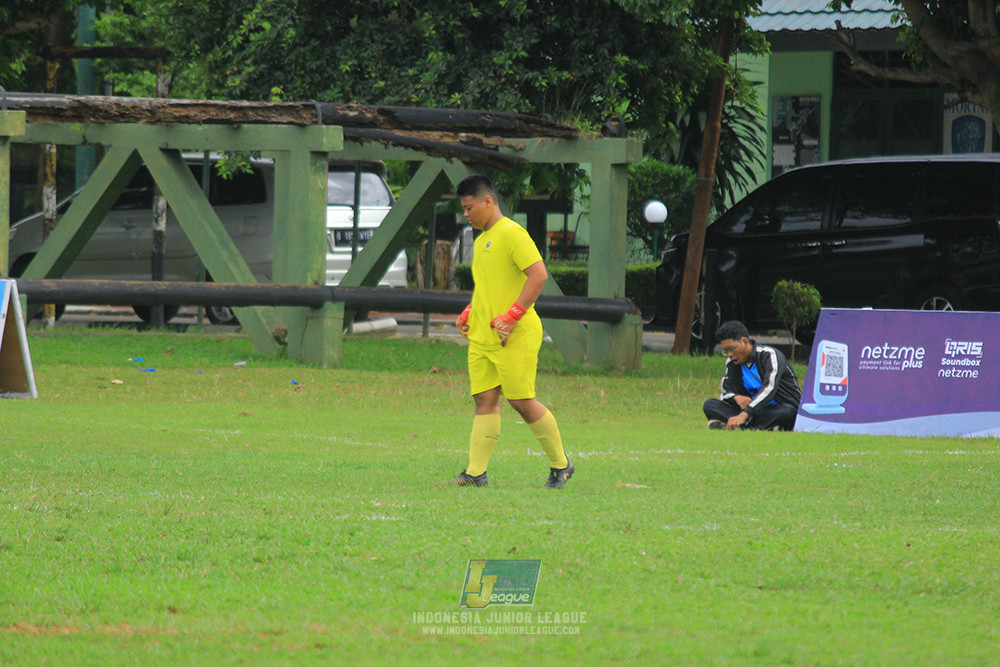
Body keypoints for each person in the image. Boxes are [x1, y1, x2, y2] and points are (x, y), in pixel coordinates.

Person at [445, 174, 573, 489]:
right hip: (483, 337)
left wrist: (513, 316)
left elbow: (538, 276)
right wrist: (470, 312)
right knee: (484, 400)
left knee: (522, 401)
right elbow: (491, 288)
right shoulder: (480, 240)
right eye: (463, 209)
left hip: (515, 335)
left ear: (488, 201)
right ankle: (476, 473)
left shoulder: (513, 234)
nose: (466, 214)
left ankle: (562, 466)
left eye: (469, 207)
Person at [703, 320, 801, 431]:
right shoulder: (732, 363)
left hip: (777, 408)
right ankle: (761, 427)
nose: (730, 354)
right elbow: (726, 390)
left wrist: (744, 414)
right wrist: (736, 397)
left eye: (731, 349)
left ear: (744, 341)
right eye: (725, 351)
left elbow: (769, 388)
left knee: (788, 412)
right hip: (752, 413)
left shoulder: (769, 355)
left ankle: (742, 425)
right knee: (710, 405)